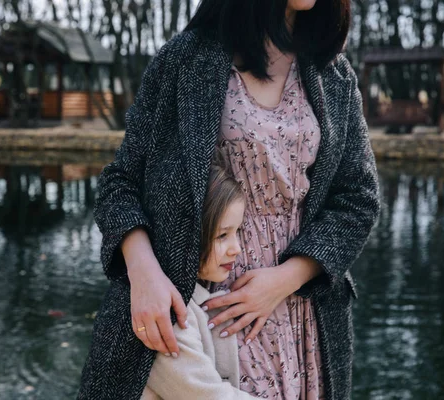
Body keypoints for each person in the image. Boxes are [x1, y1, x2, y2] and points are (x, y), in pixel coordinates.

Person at [78, 0, 380, 398]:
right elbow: (120, 182)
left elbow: (358, 198)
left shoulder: (333, 72)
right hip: (199, 309)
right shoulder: (186, 59)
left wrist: (284, 280)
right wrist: (142, 270)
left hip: (299, 312)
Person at [141, 161, 255, 400]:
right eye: (222, 235)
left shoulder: (193, 296)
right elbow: (208, 395)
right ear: (187, 236)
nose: (236, 249)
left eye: (238, 232)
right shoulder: (167, 312)